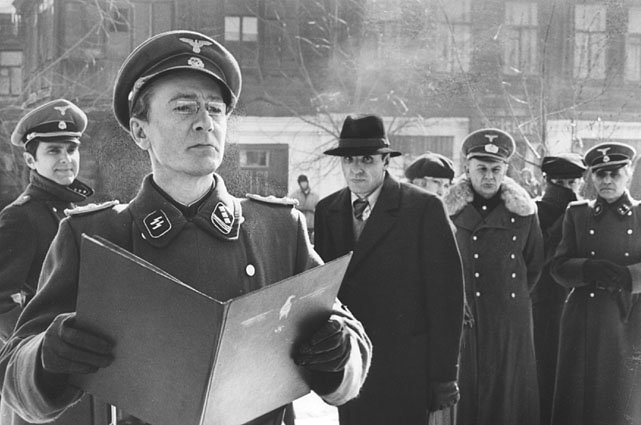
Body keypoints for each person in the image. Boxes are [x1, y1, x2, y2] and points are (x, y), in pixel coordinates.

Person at [0, 30, 371, 425]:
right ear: (140, 131)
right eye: (183, 108)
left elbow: (348, 340)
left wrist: (338, 352)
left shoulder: (277, 230)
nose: (205, 123)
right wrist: (47, 357)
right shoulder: (95, 236)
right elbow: (14, 371)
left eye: (215, 109)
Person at [314, 114, 465, 425]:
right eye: (349, 159)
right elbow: (324, 292)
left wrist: (444, 377)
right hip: (353, 366)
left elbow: (447, 300)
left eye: (367, 159)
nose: (356, 168)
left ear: (385, 161)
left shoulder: (423, 208)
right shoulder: (328, 210)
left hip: (407, 368)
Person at [442, 128, 543, 425]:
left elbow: (533, 264)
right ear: (467, 169)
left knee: (508, 396)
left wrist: (509, 298)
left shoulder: (524, 213)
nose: (489, 176)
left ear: (506, 170)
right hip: (464, 318)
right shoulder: (447, 212)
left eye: (496, 169)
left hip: (509, 319)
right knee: (466, 394)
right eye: (481, 169)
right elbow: (440, 263)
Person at [550, 142, 641, 425]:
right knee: (579, 398)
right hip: (584, 317)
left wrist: (627, 276)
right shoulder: (577, 213)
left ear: (629, 174)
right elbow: (558, 267)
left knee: (623, 397)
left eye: (615, 173)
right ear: (591, 176)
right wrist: (588, 268)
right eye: (600, 174)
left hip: (628, 315)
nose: (607, 180)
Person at [0, 99, 93, 343]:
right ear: (31, 160)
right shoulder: (21, 215)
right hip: (47, 351)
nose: (66, 159)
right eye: (53, 151)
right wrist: (32, 346)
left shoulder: (75, 210)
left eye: (71, 149)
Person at [531, 153, 586, 425]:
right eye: (559, 183)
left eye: (572, 183)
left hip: (577, 301)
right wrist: (566, 217)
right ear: (546, 181)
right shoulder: (534, 211)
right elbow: (538, 256)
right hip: (545, 303)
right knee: (546, 370)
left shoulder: (586, 212)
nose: (566, 189)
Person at [289, 174, 319, 242]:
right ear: (299, 184)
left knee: (311, 242)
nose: (303, 184)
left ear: (307, 182)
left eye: (305, 182)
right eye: (302, 183)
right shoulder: (294, 195)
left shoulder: (315, 196)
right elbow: (290, 208)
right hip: (299, 224)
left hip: (311, 224)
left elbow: (318, 210)